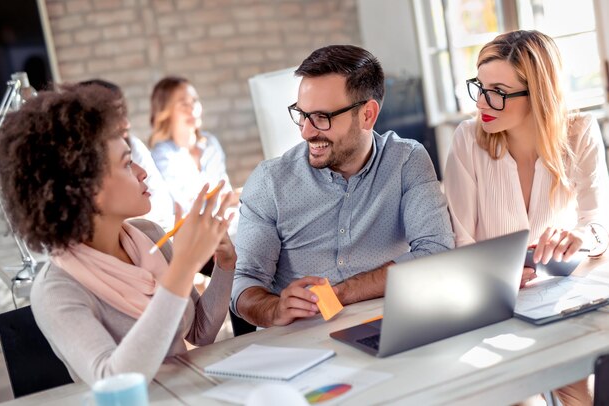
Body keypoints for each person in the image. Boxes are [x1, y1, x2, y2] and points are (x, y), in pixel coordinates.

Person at [0, 83, 236, 385]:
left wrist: (225, 265)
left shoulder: (150, 236)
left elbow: (200, 332)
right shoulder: (57, 290)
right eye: (125, 162)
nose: (141, 171)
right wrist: (184, 268)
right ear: (86, 189)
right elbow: (113, 380)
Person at [232, 44, 455, 328]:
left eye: (322, 118)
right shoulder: (270, 181)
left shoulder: (406, 160)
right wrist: (275, 309)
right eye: (302, 114)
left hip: (391, 325)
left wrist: (339, 293)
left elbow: (436, 252)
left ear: (367, 115)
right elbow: (245, 287)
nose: (306, 132)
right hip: (302, 339)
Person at [444, 30, 609, 406]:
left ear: (538, 94)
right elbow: (461, 239)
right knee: (520, 396)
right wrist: (496, 275)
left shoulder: (580, 132)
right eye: (479, 86)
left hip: (557, 298)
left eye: (498, 91)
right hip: (491, 303)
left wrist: (580, 237)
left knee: (578, 389)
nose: (483, 102)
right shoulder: (468, 139)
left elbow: (599, 223)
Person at [79, 79, 175, 229]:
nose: (126, 124)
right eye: (116, 115)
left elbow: (162, 207)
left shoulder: (134, 145)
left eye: (124, 112)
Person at [149, 76, 234, 215]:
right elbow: (185, 207)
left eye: (194, 101)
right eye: (183, 104)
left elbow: (225, 192)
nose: (192, 109)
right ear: (166, 112)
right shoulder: (162, 155)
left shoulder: (210, 144)